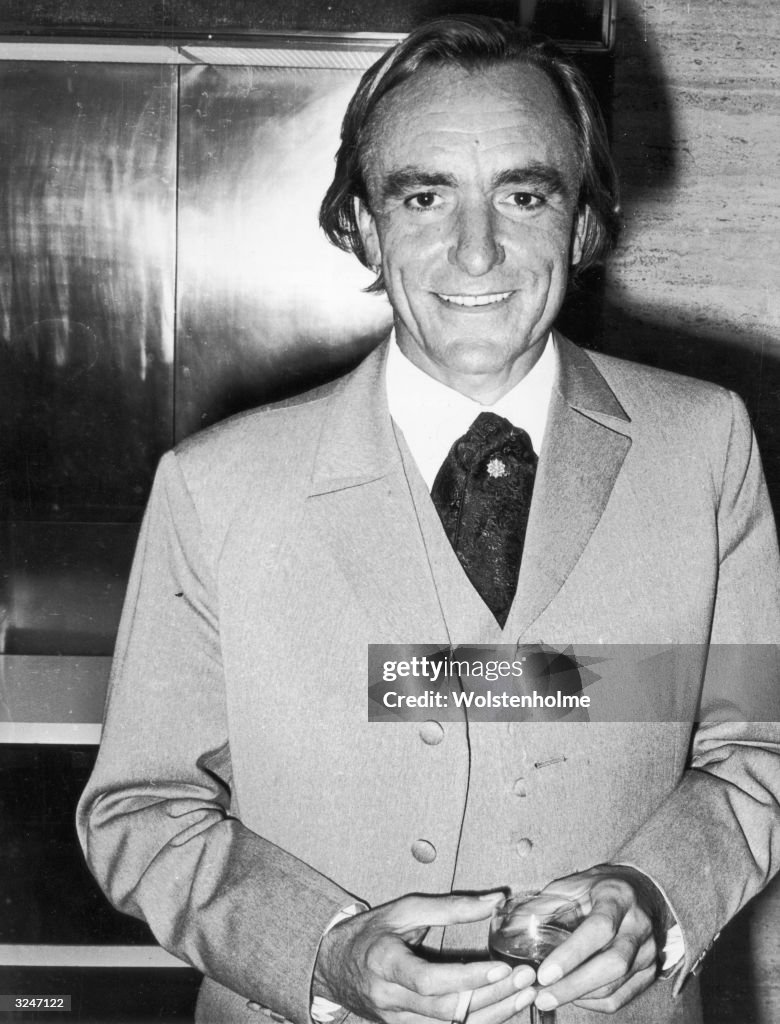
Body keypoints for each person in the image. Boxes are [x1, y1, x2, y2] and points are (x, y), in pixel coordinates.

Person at [77, 15, 780, 1024]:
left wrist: (657, 897)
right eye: (423, 195)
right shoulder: (216, 487)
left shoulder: (705, 446)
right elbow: (140, 813)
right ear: (362, 225)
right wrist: (327, 955)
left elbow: (758, 741)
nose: (477, 247)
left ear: (582, 224)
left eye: (526, 194)